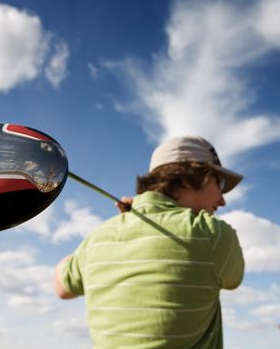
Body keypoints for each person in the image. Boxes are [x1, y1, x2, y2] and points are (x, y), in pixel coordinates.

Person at [53, 136, 245, 348]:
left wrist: (115, 228)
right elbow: (232, 280)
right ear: (195, 175)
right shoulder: (213, 234)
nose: (223, 200)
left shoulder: (96, 239)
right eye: (221, 183)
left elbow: (61, 287)